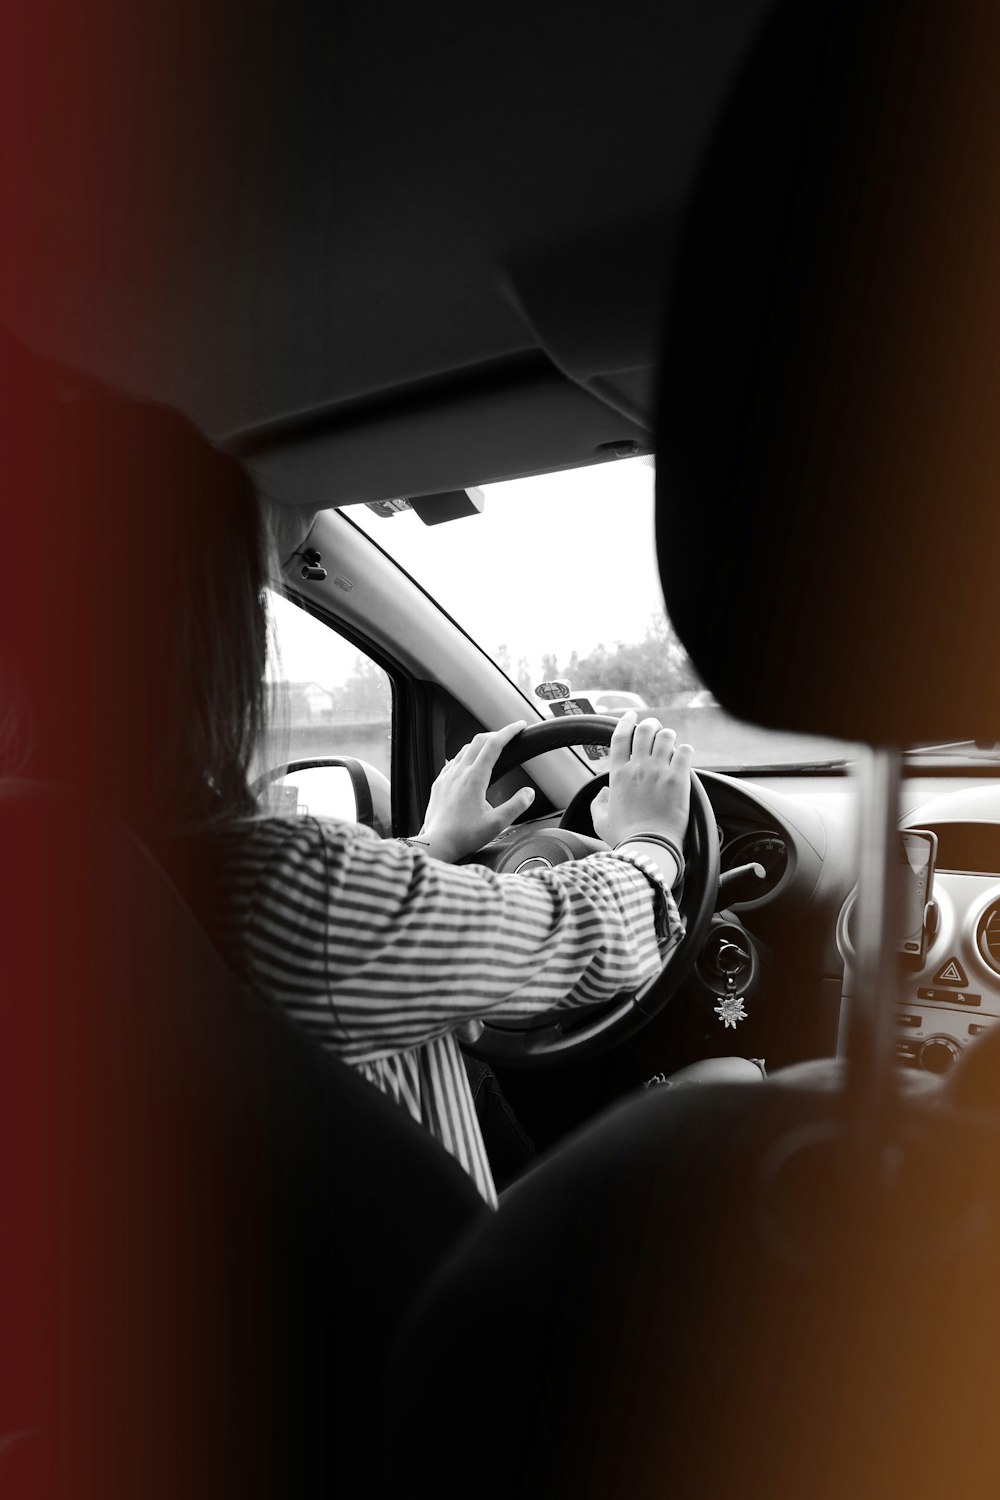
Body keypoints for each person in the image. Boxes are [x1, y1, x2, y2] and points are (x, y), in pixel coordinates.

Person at [2, 329, 692, 1208]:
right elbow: (579, 939)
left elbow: (331, 953)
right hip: (426, 1319)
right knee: (724, 1101)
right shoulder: (285, 885)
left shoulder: (52, 876)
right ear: (206, 645)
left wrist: (432, 847)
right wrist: (650, 844)